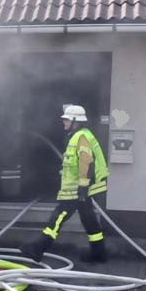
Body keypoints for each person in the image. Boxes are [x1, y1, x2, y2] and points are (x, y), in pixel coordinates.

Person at [23, 104, 109, 263]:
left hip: (77, 190)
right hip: (79, 189)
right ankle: (99, 253)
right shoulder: (78, 136)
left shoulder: (81, 137)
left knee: (57, 217)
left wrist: (82, 187)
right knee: (89, 220)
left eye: (67, 120)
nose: (64, 122)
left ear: (76, 121)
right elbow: (77, 162)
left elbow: (86, 162)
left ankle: (38, 248)